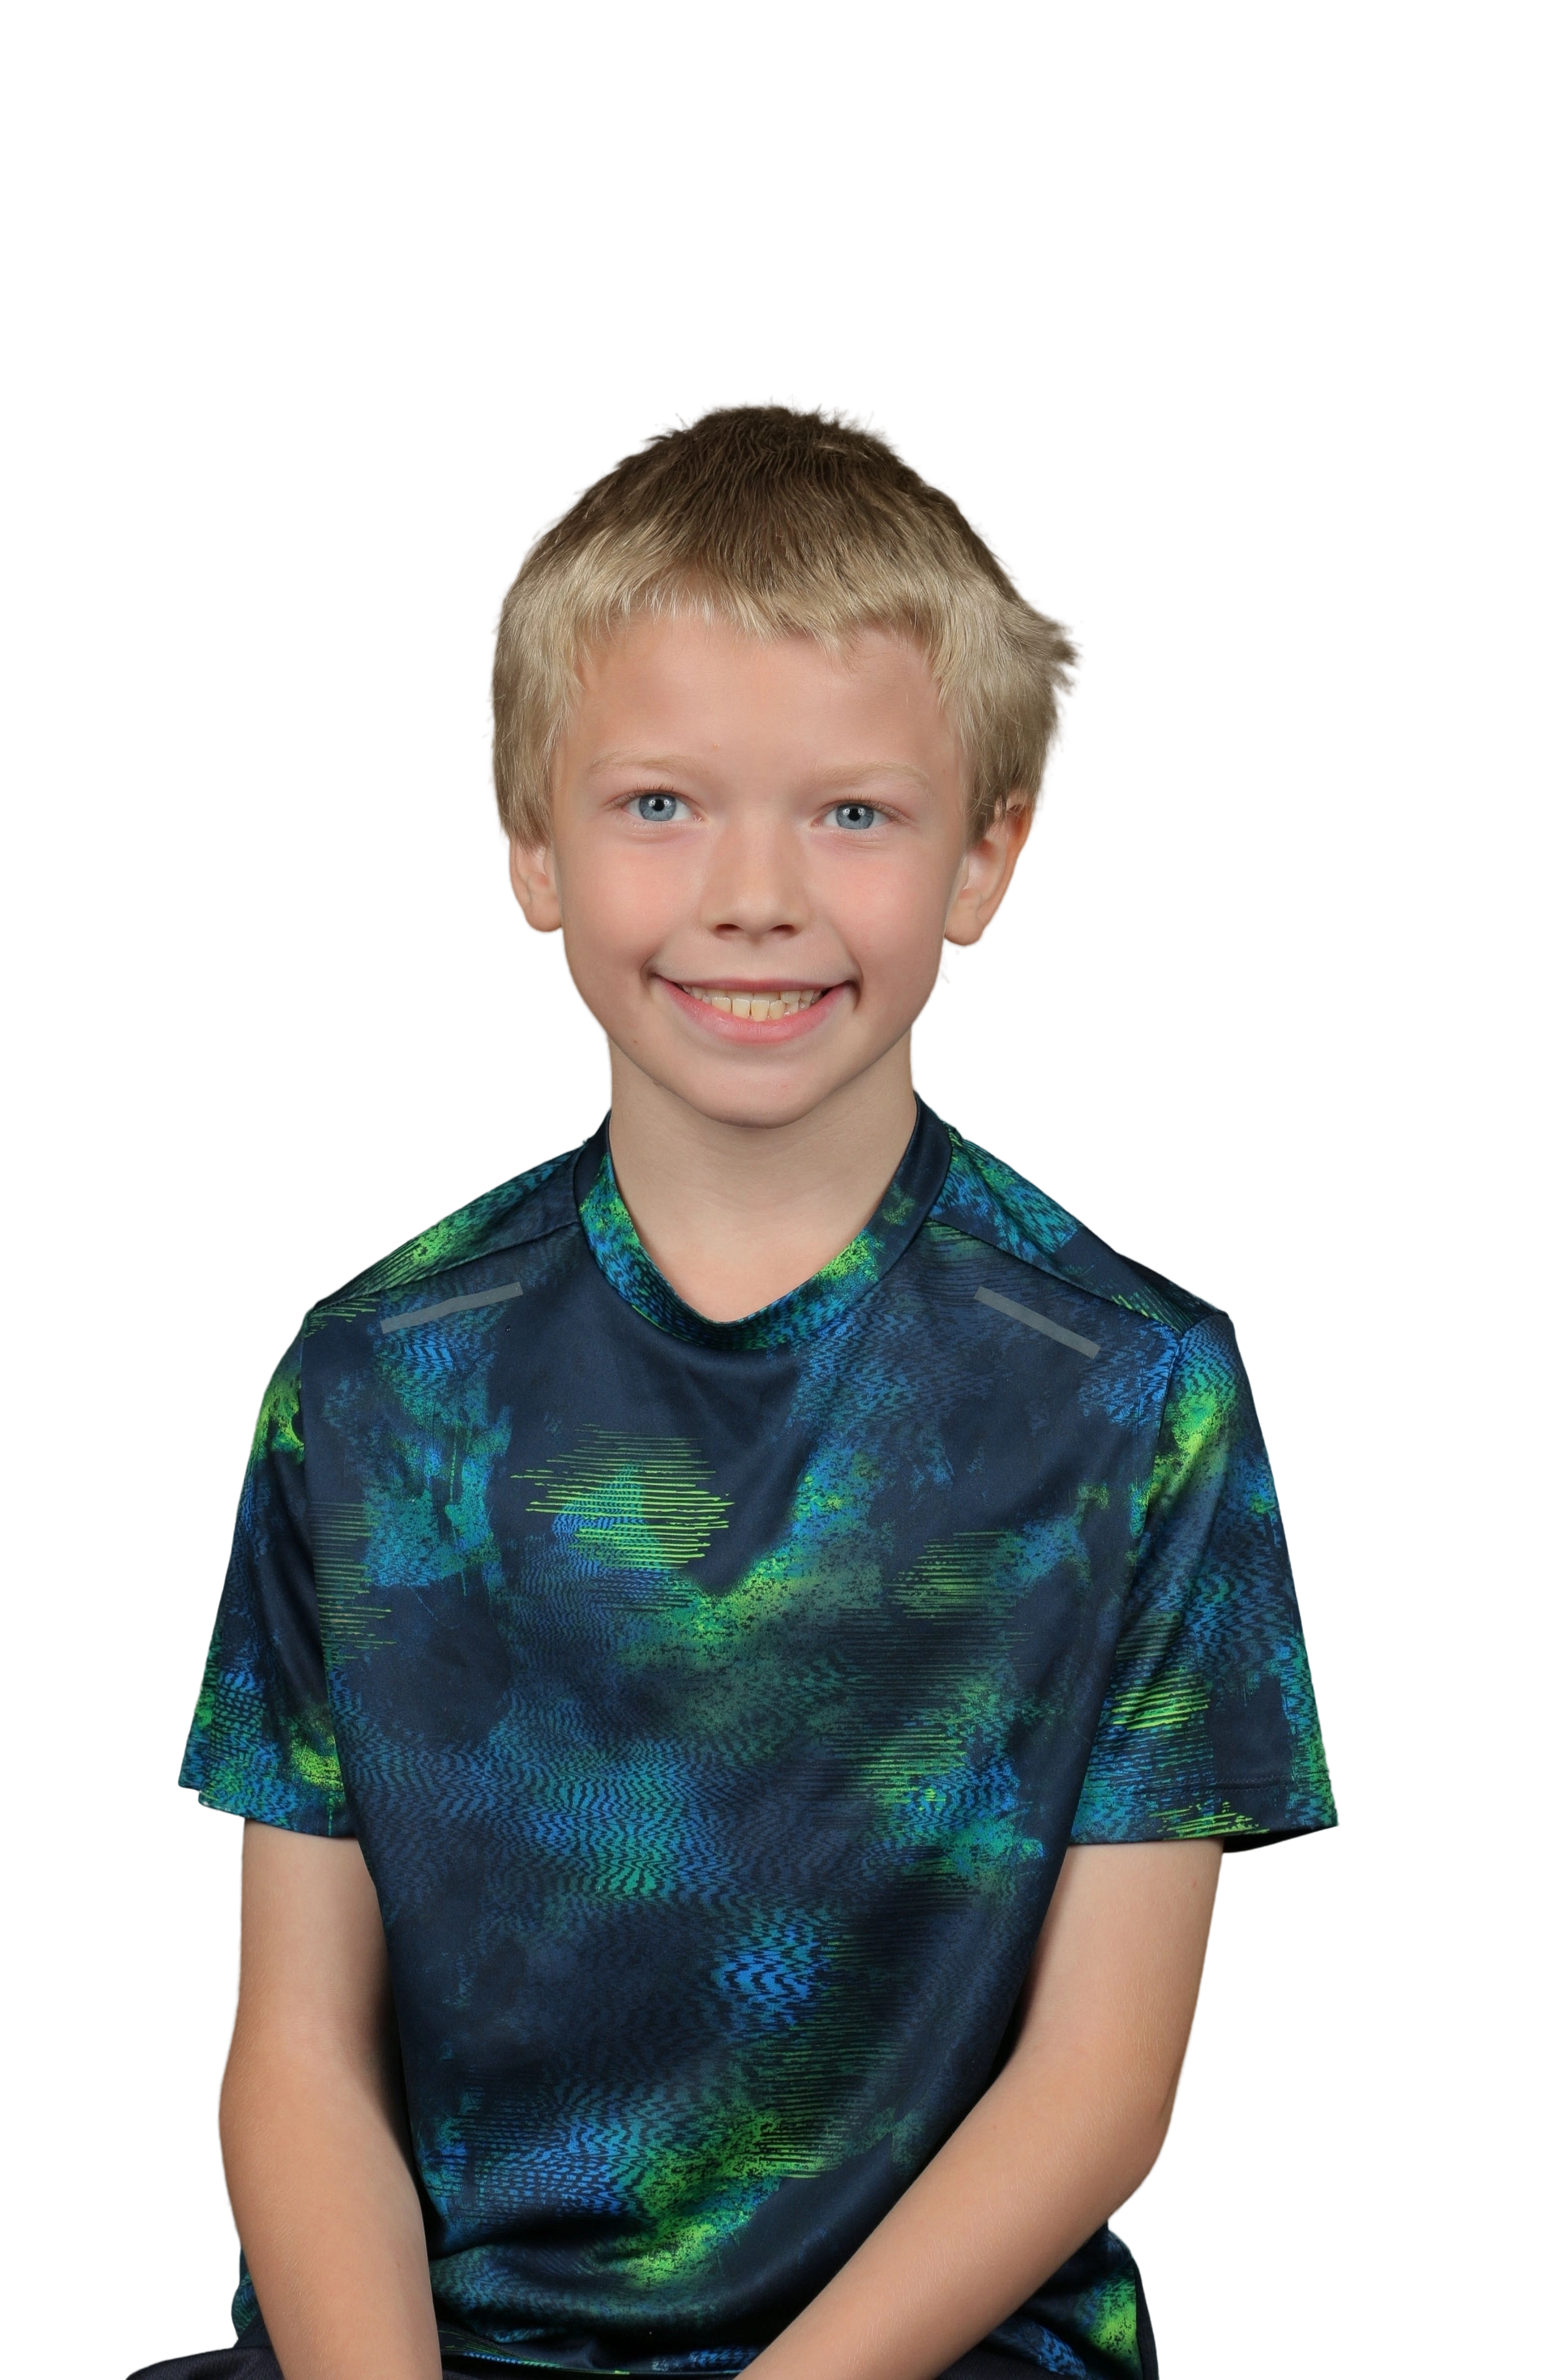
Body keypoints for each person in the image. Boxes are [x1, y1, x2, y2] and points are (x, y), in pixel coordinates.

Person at [132, 395, 1339, 2380]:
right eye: (660, 806)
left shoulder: (1137, 1396)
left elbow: (1099, 2085)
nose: (754, 892)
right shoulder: (370, 1388)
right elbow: (295, 2056)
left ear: (985, 859)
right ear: (532, 845)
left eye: (852, 813)